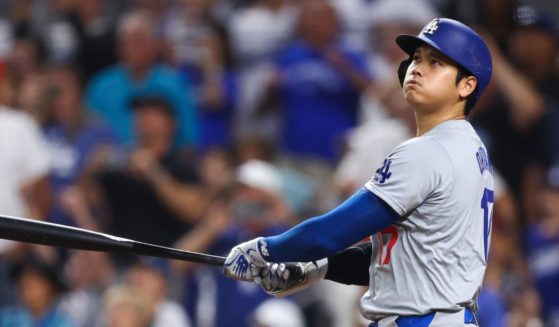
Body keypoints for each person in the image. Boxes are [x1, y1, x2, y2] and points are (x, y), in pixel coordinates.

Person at [223, 18, 494, 326]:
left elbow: (333, 232)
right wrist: (317, 269)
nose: (417, 68)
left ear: (467, 84)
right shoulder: (471, 150)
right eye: (416, 58)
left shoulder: (427, 151)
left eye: (436, 63)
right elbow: (404, 258)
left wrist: (263, 249)